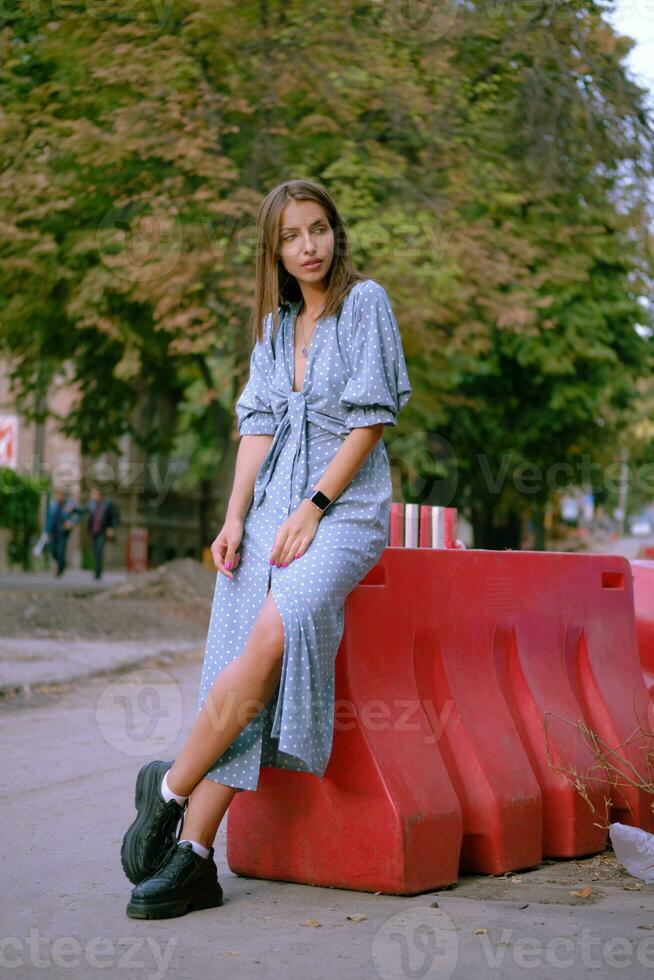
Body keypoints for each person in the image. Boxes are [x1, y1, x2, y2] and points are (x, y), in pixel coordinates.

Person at [120, 178, 413, 919]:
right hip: (271, 510)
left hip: (341, 512)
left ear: (334, 234)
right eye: (291, 236)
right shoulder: (275, 328)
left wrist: (316, 507)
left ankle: (168, 787)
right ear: (274, 250)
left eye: (318, 229)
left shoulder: (365, 303)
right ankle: (194, 855)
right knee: (242, 658)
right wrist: (232, 517)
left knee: (281, 626)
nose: (308, 246)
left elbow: (371, 422)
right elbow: (255, 425)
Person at [44, 488, 82, 577]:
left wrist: (72, 522)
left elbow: (79, 513)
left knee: (61, 550)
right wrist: (45, 530)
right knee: (53, 550)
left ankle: (60, 568)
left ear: (64, 496)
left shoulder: (70, 504)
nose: (59, 497)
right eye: (57, 495)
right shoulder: (52, 504)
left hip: (63, 531)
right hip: (53, 530)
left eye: (61, 495)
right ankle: (61, 563)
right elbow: (48, 518)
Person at [86, 487, 119, 580]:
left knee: (99, 550)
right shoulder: (91, 504)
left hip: (102, 531)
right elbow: (84, 512)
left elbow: (115, 516)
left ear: (100, 495)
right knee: (95, 551)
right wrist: (73, 510)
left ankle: (98, 573)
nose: (92, 496)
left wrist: (112, 527)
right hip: (93, 531)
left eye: (94, 494)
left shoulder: (108, 504)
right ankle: (97, 571)